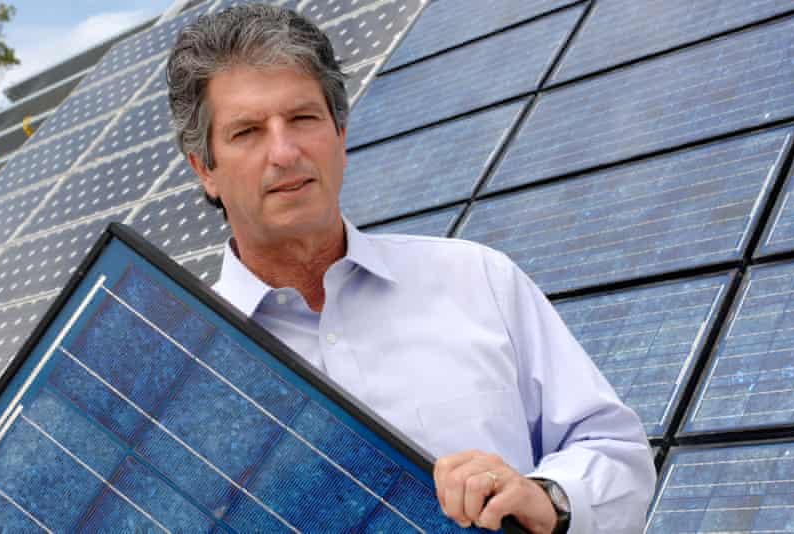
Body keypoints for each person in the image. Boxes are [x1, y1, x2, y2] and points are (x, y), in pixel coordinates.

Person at [167, 5, 656, 533]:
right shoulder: (176, 367)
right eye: (248, 132)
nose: (284, 152)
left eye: (303, 118)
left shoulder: (476, 280)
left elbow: (615, 449)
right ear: (204, 170)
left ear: (340, 136)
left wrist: (549, 496)